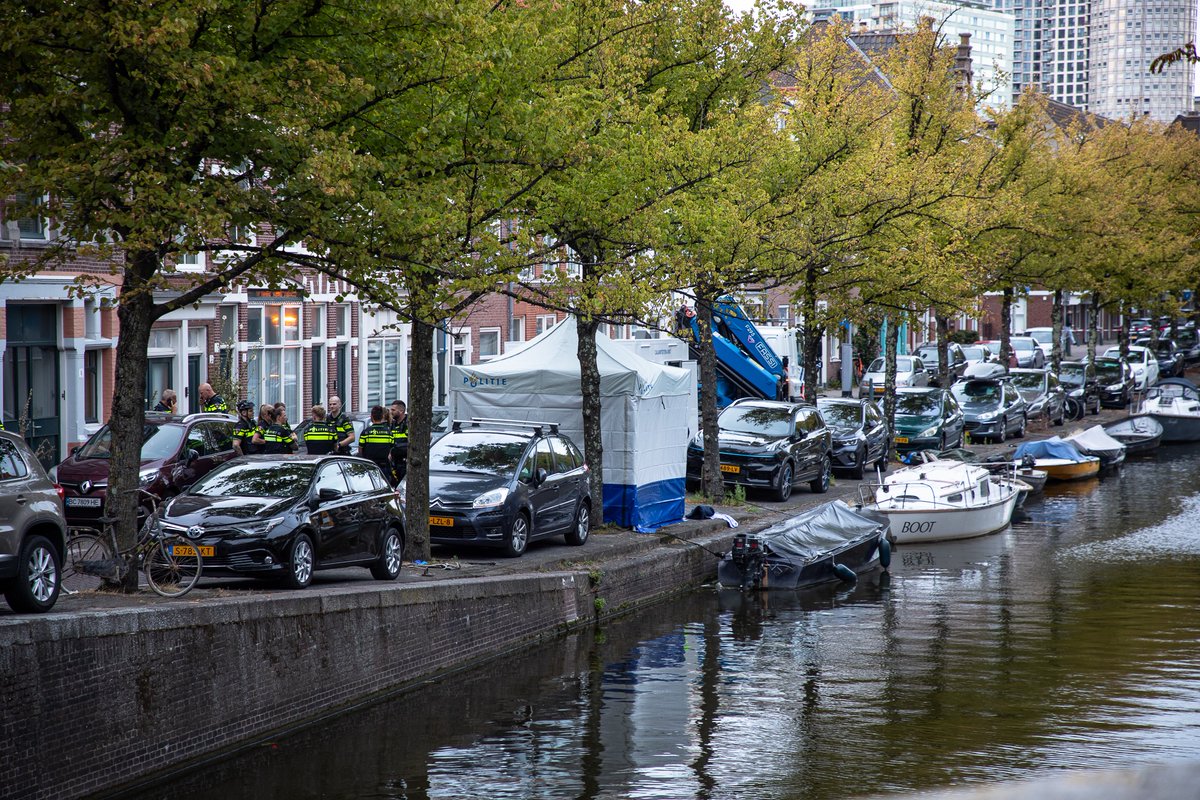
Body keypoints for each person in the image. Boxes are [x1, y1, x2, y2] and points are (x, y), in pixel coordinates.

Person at [358, 405, 394, 477]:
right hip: (384, 467)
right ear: (382, 416)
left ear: (371, 416)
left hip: (369, 466)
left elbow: (360, 450)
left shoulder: (366, 432)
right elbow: (391, 449)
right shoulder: (389, 433)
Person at [389, 400, 408, 484]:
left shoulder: (409, 423)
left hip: (405, 462)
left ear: (401, 411)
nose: (391, 412)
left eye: (393, 410)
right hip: (394, 462)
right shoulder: (392, 424)